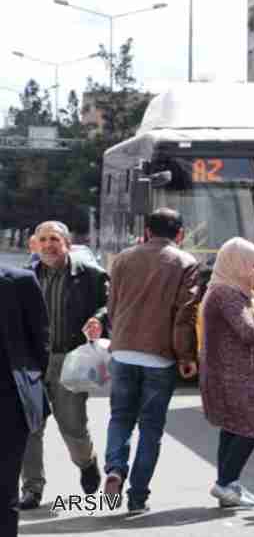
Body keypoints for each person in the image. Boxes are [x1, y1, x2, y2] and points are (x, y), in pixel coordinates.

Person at [103, 208, 200, 516]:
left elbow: (113, 304)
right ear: (180, 234)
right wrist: (186, 356)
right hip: (159, 357)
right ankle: (137, 497)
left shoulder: (123, 258)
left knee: (120, 417)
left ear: (146, 231)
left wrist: (117, 339)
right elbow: (184, 316)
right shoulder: (186, 263)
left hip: (122, 350)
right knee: (151, 429)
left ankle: (115, 468)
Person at [19, 221, 108, 511]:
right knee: (30, 427)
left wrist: (100, 320)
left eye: (54, 239)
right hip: (31, 362)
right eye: (42, 239)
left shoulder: (91, 275)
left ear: (66, 243)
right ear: (35, 244)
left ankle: (86, 461)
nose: (48, 244)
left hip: (69, 360)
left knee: (72, 425)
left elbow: (110, 304)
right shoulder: (24, 276)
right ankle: (32, 488)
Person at [200, 237, 254, 508]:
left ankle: (230, 485)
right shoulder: (226, 294)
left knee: (234, 427)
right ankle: (225, 483)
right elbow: (246, 330)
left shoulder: (233, 290)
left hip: (235, 372)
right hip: (231, 375)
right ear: (236, 263)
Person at [1, 265, 49, 535]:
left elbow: (40, 341)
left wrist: (27, 384)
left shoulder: (19, 281)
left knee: (4, 488)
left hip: (8, 402)